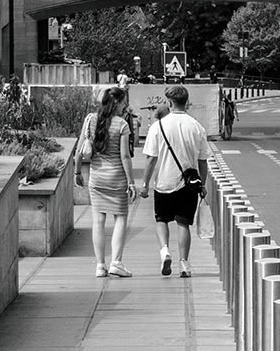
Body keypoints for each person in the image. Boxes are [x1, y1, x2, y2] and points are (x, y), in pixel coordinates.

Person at [143, 84, 211, 278]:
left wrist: (145, 184)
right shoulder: (196, 126)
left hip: (164, 182)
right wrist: (203, 185)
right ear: (186, 102)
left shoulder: (158, 126)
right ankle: (184, 264)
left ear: (169, 102)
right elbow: (203, 160)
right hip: (189, 184)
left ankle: (164, 251)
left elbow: (150, 158)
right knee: (183, 223)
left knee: (161, 220)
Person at [81, 86, 138, 278]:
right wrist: (131, 183)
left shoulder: (91, 120)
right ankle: (116, 262)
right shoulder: (122, 125)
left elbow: (80, 148)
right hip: (117, 178)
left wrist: (76, 172)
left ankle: (100, 265)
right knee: (120, 218)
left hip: (96, 177)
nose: (125, 105)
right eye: (123, 102)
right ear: (116, 103)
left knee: (98, 221)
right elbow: (125, 156)